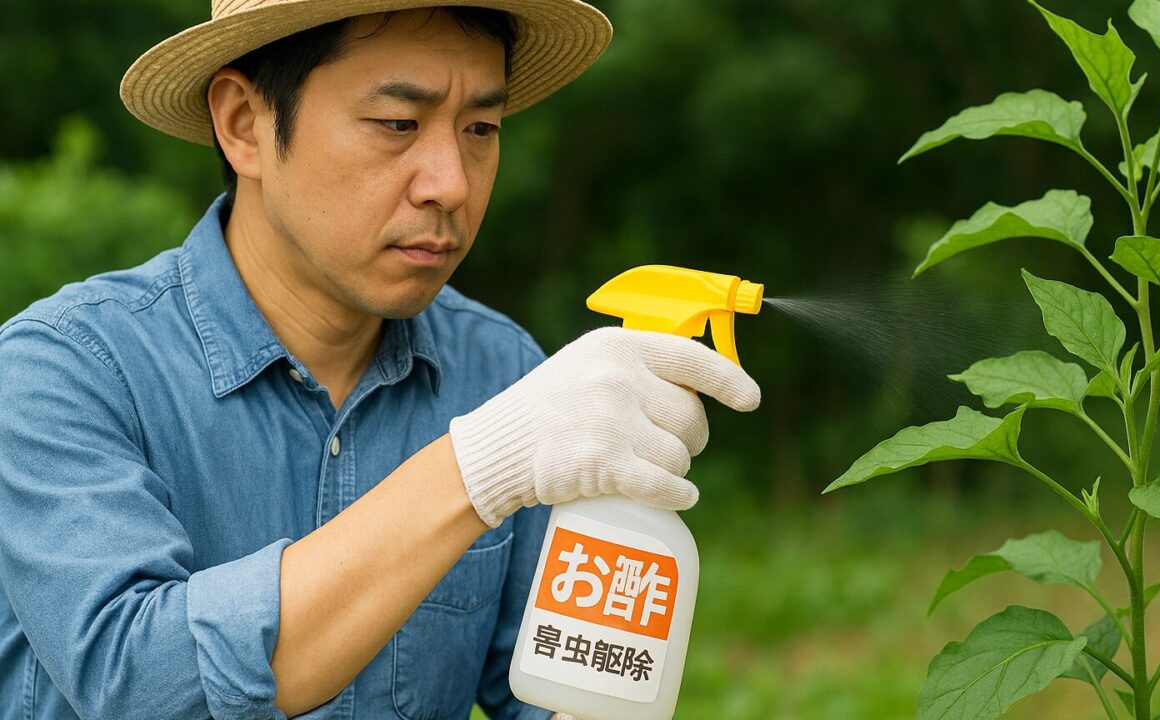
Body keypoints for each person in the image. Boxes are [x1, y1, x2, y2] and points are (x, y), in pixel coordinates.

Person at [0, 1, 761, 718]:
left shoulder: (501, 368)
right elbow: (137, 681)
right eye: (398, 123)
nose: (451, 185)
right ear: (243, 124)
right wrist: (478, 469)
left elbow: (554, 691)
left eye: (481, 128)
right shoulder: (64, 372)